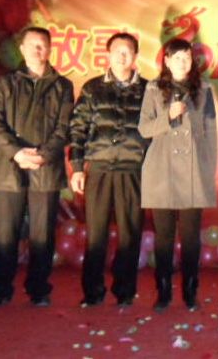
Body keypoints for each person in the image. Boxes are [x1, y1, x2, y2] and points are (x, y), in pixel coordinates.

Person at [0, 26, 73, 307]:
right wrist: (16, 152)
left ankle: (38, 289)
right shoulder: (6, 83)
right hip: (9, 167)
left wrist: (43, 155)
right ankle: (1, 289)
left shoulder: (62, 86)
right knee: (6, 234)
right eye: (32, 45)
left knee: (42, 235)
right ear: (21, 49)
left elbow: (64, 127)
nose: (38, 49)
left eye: (43, 44)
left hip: (45, 168)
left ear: (50, 49)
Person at [69, 32, 149, 308]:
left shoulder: (148, 90)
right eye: (117, 51)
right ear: (108, 54)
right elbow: (78, 128)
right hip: (100, 168)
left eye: (128, 52)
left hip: (133, 169)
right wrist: (77, 167)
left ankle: (125, 291)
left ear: (135, 56)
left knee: (130, 233)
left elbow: (155, 133)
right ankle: (92, 292)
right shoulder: (92, 88)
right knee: (96, 234)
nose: (122, 56)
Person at [138, 38, 217, 311]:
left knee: (191, 237)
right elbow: (144, 129)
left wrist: (208, 171)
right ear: (167, 61)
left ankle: (190, 291)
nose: (182, 62)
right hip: (161, 170)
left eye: (187, 57)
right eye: (177, 58)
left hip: (194, 170)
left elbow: (210, 134)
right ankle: (163, 291)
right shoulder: (153, 88)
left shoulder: (204, 89)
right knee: (164, 237)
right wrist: (168, 116)